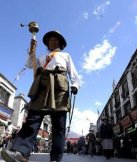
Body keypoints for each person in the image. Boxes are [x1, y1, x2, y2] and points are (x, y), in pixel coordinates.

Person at [1, 31, 81, 162]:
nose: (52, 42)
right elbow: (29, 65)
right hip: (41, 87)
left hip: (59, 88)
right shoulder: (42, 57)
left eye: (55, 40)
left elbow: (74, 73)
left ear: (60, 43)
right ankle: (20, 153)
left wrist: (75, 85)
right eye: (50, 40)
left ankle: (55, 158)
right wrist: (31, 52)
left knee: (58, 127)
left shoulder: (65, 55)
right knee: (32, 120)